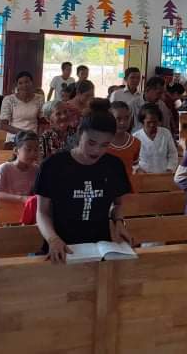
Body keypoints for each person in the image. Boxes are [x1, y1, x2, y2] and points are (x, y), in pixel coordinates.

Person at [34, 100, 132, 264]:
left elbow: (118, 204)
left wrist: (119, 223)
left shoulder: (114, 166)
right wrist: (52, 239)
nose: (96, 151)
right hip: (61, 246)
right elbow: (42, 212)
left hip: (100, 246)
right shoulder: (53, 165)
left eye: (105, 145)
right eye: (91, 143)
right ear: (80, 133)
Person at [0, 130, 40, 204]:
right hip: (7, 208)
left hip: (26, 209)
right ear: (16, 150)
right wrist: (22, 198)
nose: (33, 153)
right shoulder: (4, 168)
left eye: (36, 150)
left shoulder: (36, 169)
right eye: (28, 149)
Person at [132, 104, 179, 173]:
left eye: (155, 122)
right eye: (148, 122)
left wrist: (170, 169)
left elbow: (173, 154)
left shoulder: (165, 133)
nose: (152, 125)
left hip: (164, 174)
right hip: (144, 175)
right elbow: (132, 160)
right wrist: (138, 169)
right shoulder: (136, 137)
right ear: (142, 121)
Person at [0, 72, 44, 143]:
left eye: (27, 82)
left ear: (32, 83)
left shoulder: (39, 99)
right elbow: (3, 125)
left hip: (33, 139)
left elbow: (42, 122)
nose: (24, 85)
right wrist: (25, 134)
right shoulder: (8, 99)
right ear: (17, 85)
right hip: (13, 139)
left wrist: (38, 138)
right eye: (20, 83)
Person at [109, 101, 140, 185]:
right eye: (118, 119)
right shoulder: (102, 143)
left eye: (127, 118)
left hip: (127, 187)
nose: (123, 122)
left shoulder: (135, 142)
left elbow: (135, 168)